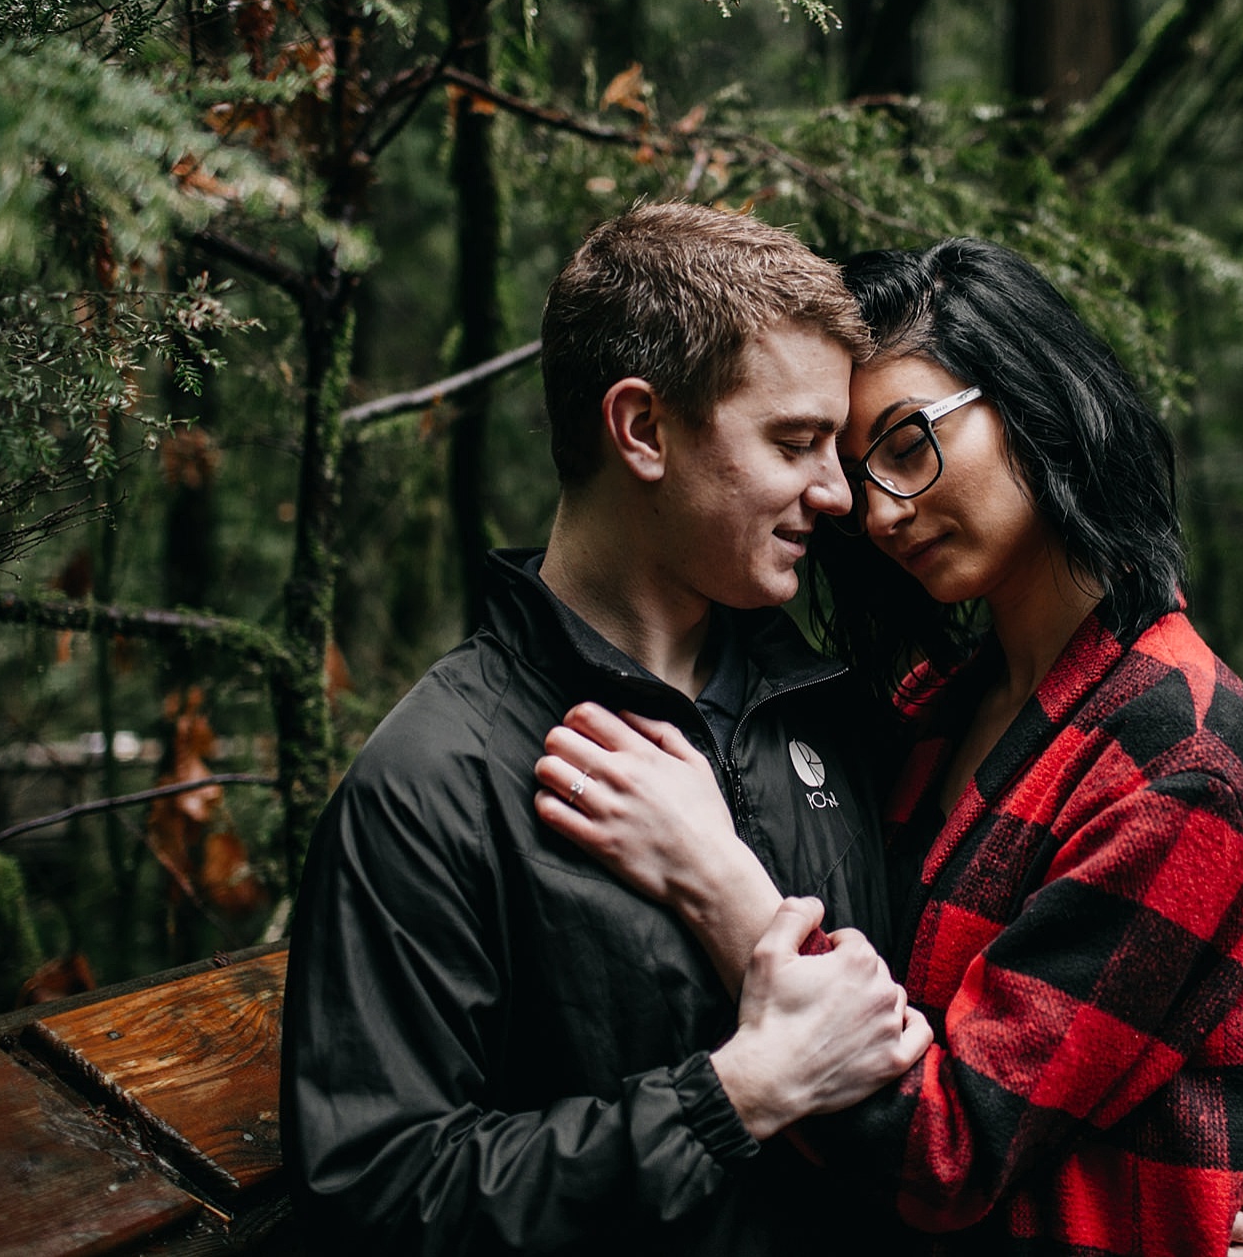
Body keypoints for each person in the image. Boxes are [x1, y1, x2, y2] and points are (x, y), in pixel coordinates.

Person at [536, 237, 1243, 1257]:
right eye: (857, 473)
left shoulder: (1180, 760)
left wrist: (714, 878)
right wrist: (1130, 1142)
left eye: (909, 443)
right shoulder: (937, 707)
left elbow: (944, 1152)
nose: (883, 511)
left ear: (1033, 396)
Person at [280, 202, 935, 1257]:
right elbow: (375, 1195)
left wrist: (1121, 1169)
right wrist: (728, 1098)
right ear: (641, 429)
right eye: (793, 441)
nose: (834, 492)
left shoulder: (828, 715)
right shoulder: (435, 778)